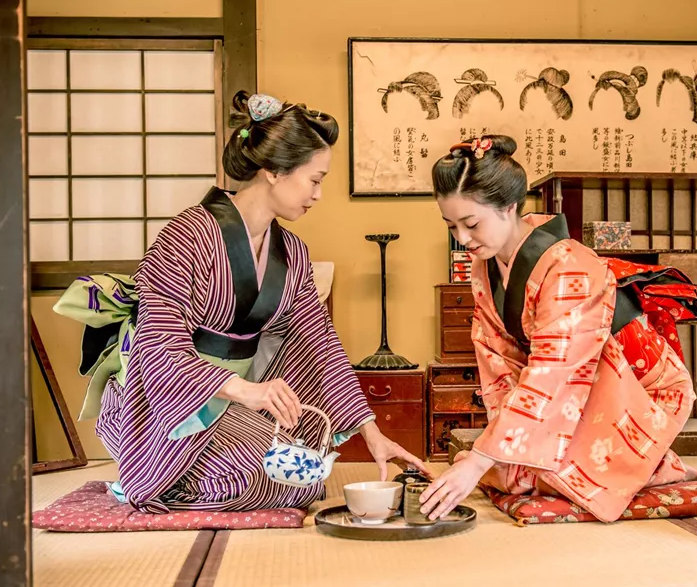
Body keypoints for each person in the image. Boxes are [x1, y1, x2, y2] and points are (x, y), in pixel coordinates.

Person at [53, 91, 427, 514]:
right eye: (315, 179)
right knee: (255, 476)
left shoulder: (293, 252)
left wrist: (372, 433)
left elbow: (320, 344)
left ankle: (226, 453)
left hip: (236, 398)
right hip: (168, 406)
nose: (319, 194)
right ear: (273, 171)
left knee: (303, 478)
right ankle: (154, 474)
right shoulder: (186, 235)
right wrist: (245, 391)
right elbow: (157, 342)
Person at [418, 135, 697, 523]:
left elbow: (556, 369)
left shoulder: (570, 263)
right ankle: (638, 465)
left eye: (471, 224)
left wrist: (483, 457)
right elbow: (497, 356)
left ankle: (656, 467)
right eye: (451, 226)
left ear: (509, 206)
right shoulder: (485, 267)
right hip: (572, 385)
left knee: (533, 468)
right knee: (513, 469)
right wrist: (502, 443)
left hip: (632, 385)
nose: (462, 239)